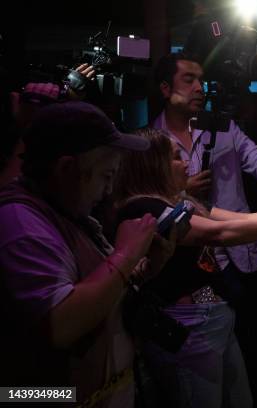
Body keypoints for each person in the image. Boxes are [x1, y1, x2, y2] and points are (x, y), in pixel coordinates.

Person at [113, 127, 257, 408]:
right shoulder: (144, 208)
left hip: (213, 318)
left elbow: (236, 221)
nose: (186, 162)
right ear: (153, 166)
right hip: (187, 326)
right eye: (176, 157)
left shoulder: (179, 200)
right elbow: (218, 234)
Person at [0, 101, 173, 407]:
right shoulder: (20, 224)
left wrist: (148, 265)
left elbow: (94, 285)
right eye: (105, 176)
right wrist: (126, 253)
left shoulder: (63, 209)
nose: (108, 192)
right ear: (66, 168)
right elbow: (61, 325)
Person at [151, 52, 257, 405]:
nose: (199, 88)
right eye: (188, 80)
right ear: (164, 88)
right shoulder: (152, 142)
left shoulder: (221, 126)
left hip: (246, 256)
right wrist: (181, 191)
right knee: (210, 355)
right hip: (196, 265)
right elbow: (145, 196)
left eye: (201, 80)